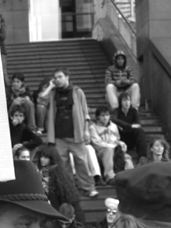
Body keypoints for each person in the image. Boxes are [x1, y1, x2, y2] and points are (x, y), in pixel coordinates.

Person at [45, 67, 100, 198]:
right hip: (59, 136)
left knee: (82, 162)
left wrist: (86, 130)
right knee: (63, 165)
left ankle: (88, 187)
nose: (57, 80)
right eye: (55, 78)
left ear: (67, 77)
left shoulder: (77, 92)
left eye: (60, 77)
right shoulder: (53, 93)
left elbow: (85, 113)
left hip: (76, 134)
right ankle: (69, 189)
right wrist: (49, 87)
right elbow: (41, 100)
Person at [32, 145, 83, 213]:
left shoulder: (57, 172)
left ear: (52, 158)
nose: (42, 159)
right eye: (41, 156)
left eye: (45, 157)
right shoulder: (40, 172)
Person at [89, 105, 131, 183]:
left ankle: (128, 176)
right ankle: (109, 177)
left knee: (127, 157)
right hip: (101, 153)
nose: (105, 118)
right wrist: (113, 146)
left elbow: (117, 139)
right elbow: (97, 144)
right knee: (108, 150)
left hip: (114, 151)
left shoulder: (114, 126)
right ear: (98, 117)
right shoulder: (93, 128)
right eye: (103, 115)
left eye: (107, 115)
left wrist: (121, 143)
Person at [114, 92, 147, 161]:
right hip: (121, 138)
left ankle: (142, 157)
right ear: (120, 102)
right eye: (124, 100)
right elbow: (114, 119)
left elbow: (138, 125)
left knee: (140, 130)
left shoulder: (133, 111)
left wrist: (124, 127)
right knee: (115, 128)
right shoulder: (117, 111)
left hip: (131, 139)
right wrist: (130, 126)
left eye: (128, 100)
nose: (127, 102)